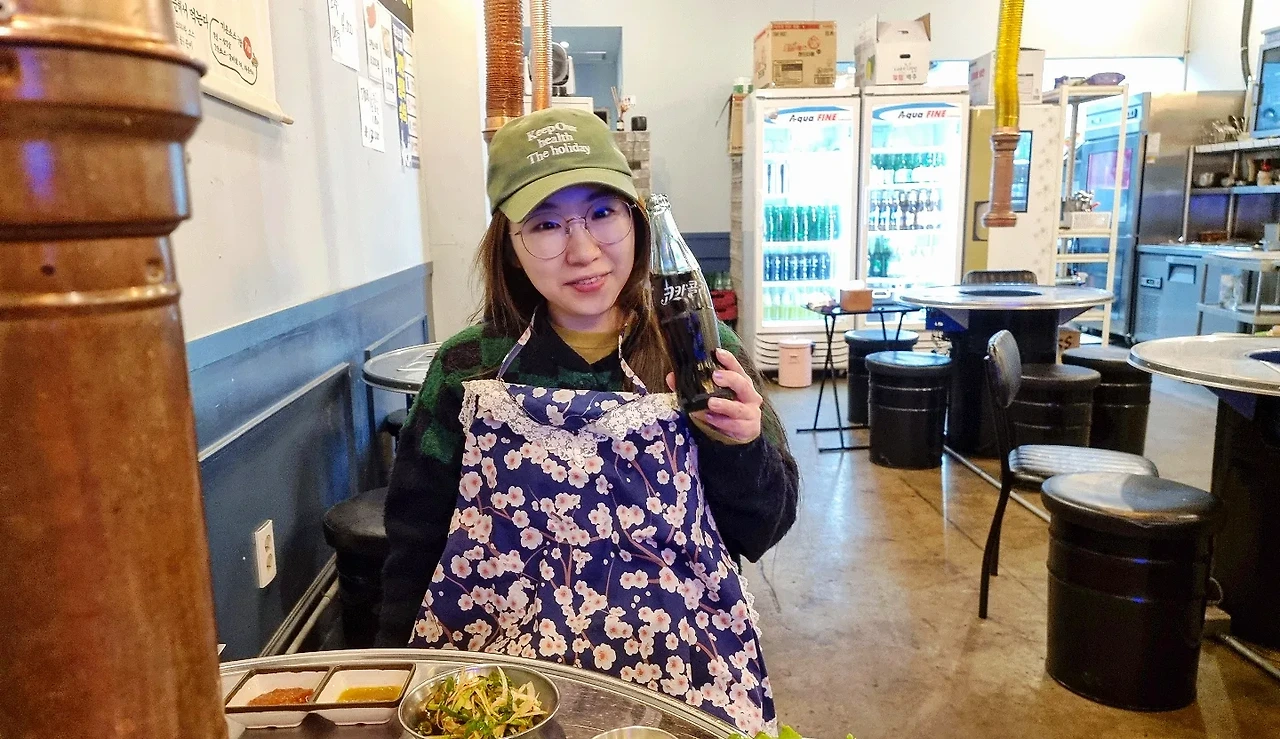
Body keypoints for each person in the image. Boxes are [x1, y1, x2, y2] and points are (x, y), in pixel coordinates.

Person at [378, 107, 799, 734]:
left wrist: (740, 445)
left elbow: (762, 529)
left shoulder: (700, 352)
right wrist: (395, 682)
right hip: (499, 687)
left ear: (636, 220)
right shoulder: (468, 365)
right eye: (546, 224)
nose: (583, 251)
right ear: (511, 247)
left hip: (679, 679)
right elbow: (414, 538)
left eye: (603, 213)